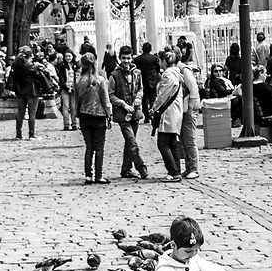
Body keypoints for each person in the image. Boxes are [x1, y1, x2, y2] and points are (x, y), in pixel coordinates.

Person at [149, 52, 190, 179]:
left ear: (164, 61)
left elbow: (163, 95)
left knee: (163, 144)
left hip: (168, 112)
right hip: (174, 111)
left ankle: (173, 171)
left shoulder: (168, 74)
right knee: (172, 143)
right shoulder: (176, 72)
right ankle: (176, 170)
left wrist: (154, 107)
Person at [74, 51, 112, 182]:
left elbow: (76, 101)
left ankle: (88, 174)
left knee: (89, 146)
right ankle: (99, 175)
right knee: (99, 147)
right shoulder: (100, 80)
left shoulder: (79, 81)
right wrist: (109, 114)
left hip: (84, 116)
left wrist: (77, 114)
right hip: (99, 115)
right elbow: (105, 100)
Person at [110, 51, 148, 181]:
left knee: (129, 142)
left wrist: (138, 97)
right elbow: (111, 95)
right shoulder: (114, 75)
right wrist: (123, 104)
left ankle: (126, 169)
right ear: (120, 58)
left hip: (135, 112)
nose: (126, 61)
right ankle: (141, 166)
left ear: (131, 58)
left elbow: (141, 89)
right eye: (123, 58)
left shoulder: (137, 73)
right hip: (123, 113)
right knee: (132, 141)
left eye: (128, 58)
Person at [173, 50, 203, 180]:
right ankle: (188, 167)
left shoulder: (184, 70)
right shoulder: (177, 69)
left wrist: (191, 108)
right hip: (183, 109)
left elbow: (193, 90)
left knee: (189, 139)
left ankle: (194, 168)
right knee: (184, 139)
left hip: (189, 109)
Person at [8, 46, 38, 140]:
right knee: (32, 113)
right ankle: (32, 134)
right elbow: (37, 76)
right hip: (31, 91)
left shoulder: (15, 65)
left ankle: (18, 134)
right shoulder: (30, 66)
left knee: (20, 113)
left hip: (20, 91)